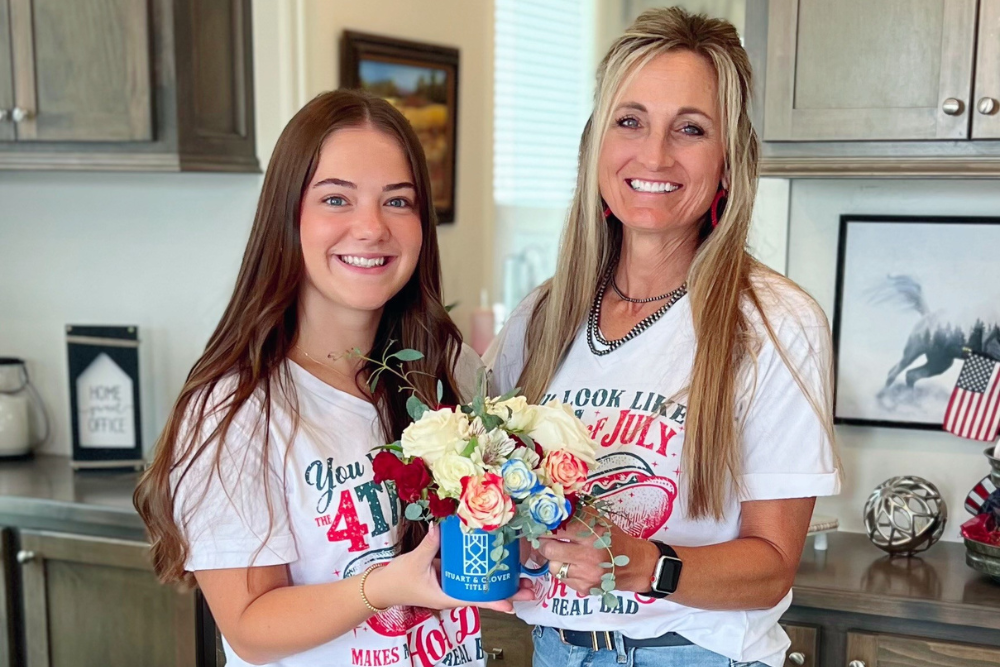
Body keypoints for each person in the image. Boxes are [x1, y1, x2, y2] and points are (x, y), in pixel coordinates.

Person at [486, 8, 840, 667]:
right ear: (596, 144)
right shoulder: (540, 317)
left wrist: (642, 562)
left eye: (691, 129)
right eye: (630, 121)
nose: (654, 155)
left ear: (728, 160)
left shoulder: (775, 325)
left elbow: (771, 567)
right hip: (553, 648)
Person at [134, 89, 521, 667]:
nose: (371, 228)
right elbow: (249, 628)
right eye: (337, 199)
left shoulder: (451, 369)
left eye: (398, 201)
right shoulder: (236, 408)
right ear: (287, 216)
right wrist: (384, 588)